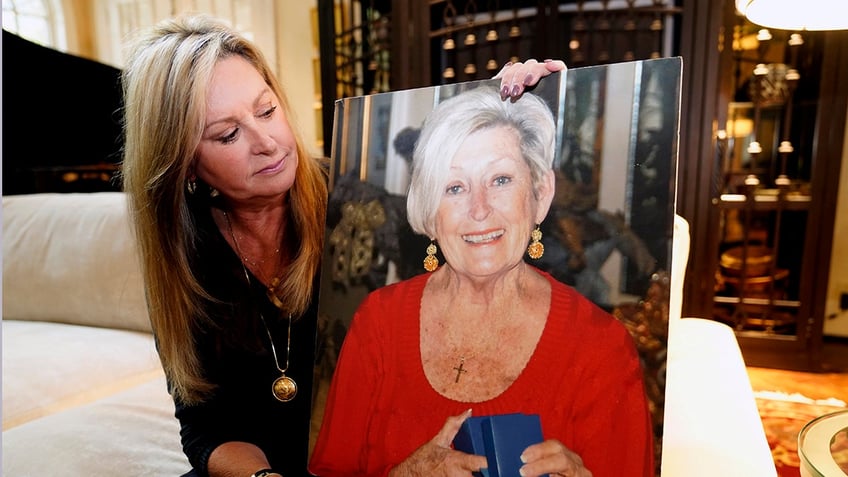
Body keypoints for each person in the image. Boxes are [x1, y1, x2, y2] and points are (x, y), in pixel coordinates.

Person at [120, 13, 565, 477]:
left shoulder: (357, 205)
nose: (268, 142)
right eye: (228, 134)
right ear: (186, 166)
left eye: (267, 110)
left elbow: (490, 272)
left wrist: (496, 113)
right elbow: (206, 429)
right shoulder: (184, 255)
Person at [309, 86, 653, 477]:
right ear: (428, 211)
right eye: (454, 187)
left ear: (540, 196)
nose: (479, 210)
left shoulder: (601, 347)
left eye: (501, 180)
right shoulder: (379, 322)